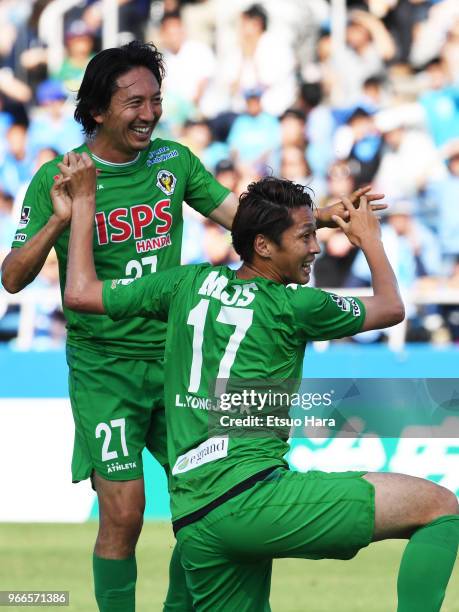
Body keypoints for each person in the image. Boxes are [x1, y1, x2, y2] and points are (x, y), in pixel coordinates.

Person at [0, 41, 386, 611]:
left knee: (207, 500)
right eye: (135, 102)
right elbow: (12, 278)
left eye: (157, 100)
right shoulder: (60, 178)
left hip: (179, 365)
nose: (150, 113)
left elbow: (244, 221)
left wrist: (322, 217)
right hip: (105, 370)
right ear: (98, 110)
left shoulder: (173, 162)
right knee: (125, 513)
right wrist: (61, 218)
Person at [63, 157, 458, 612]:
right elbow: (390, 307)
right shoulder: (294, 305)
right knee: (440, 508)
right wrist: (370, 241)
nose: (316, 248)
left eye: (315, 233)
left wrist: (82, 205)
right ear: (264, 247)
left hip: (195, 519)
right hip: (255, 498)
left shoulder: (186, 283)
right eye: (306, 236)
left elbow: (78, 293)